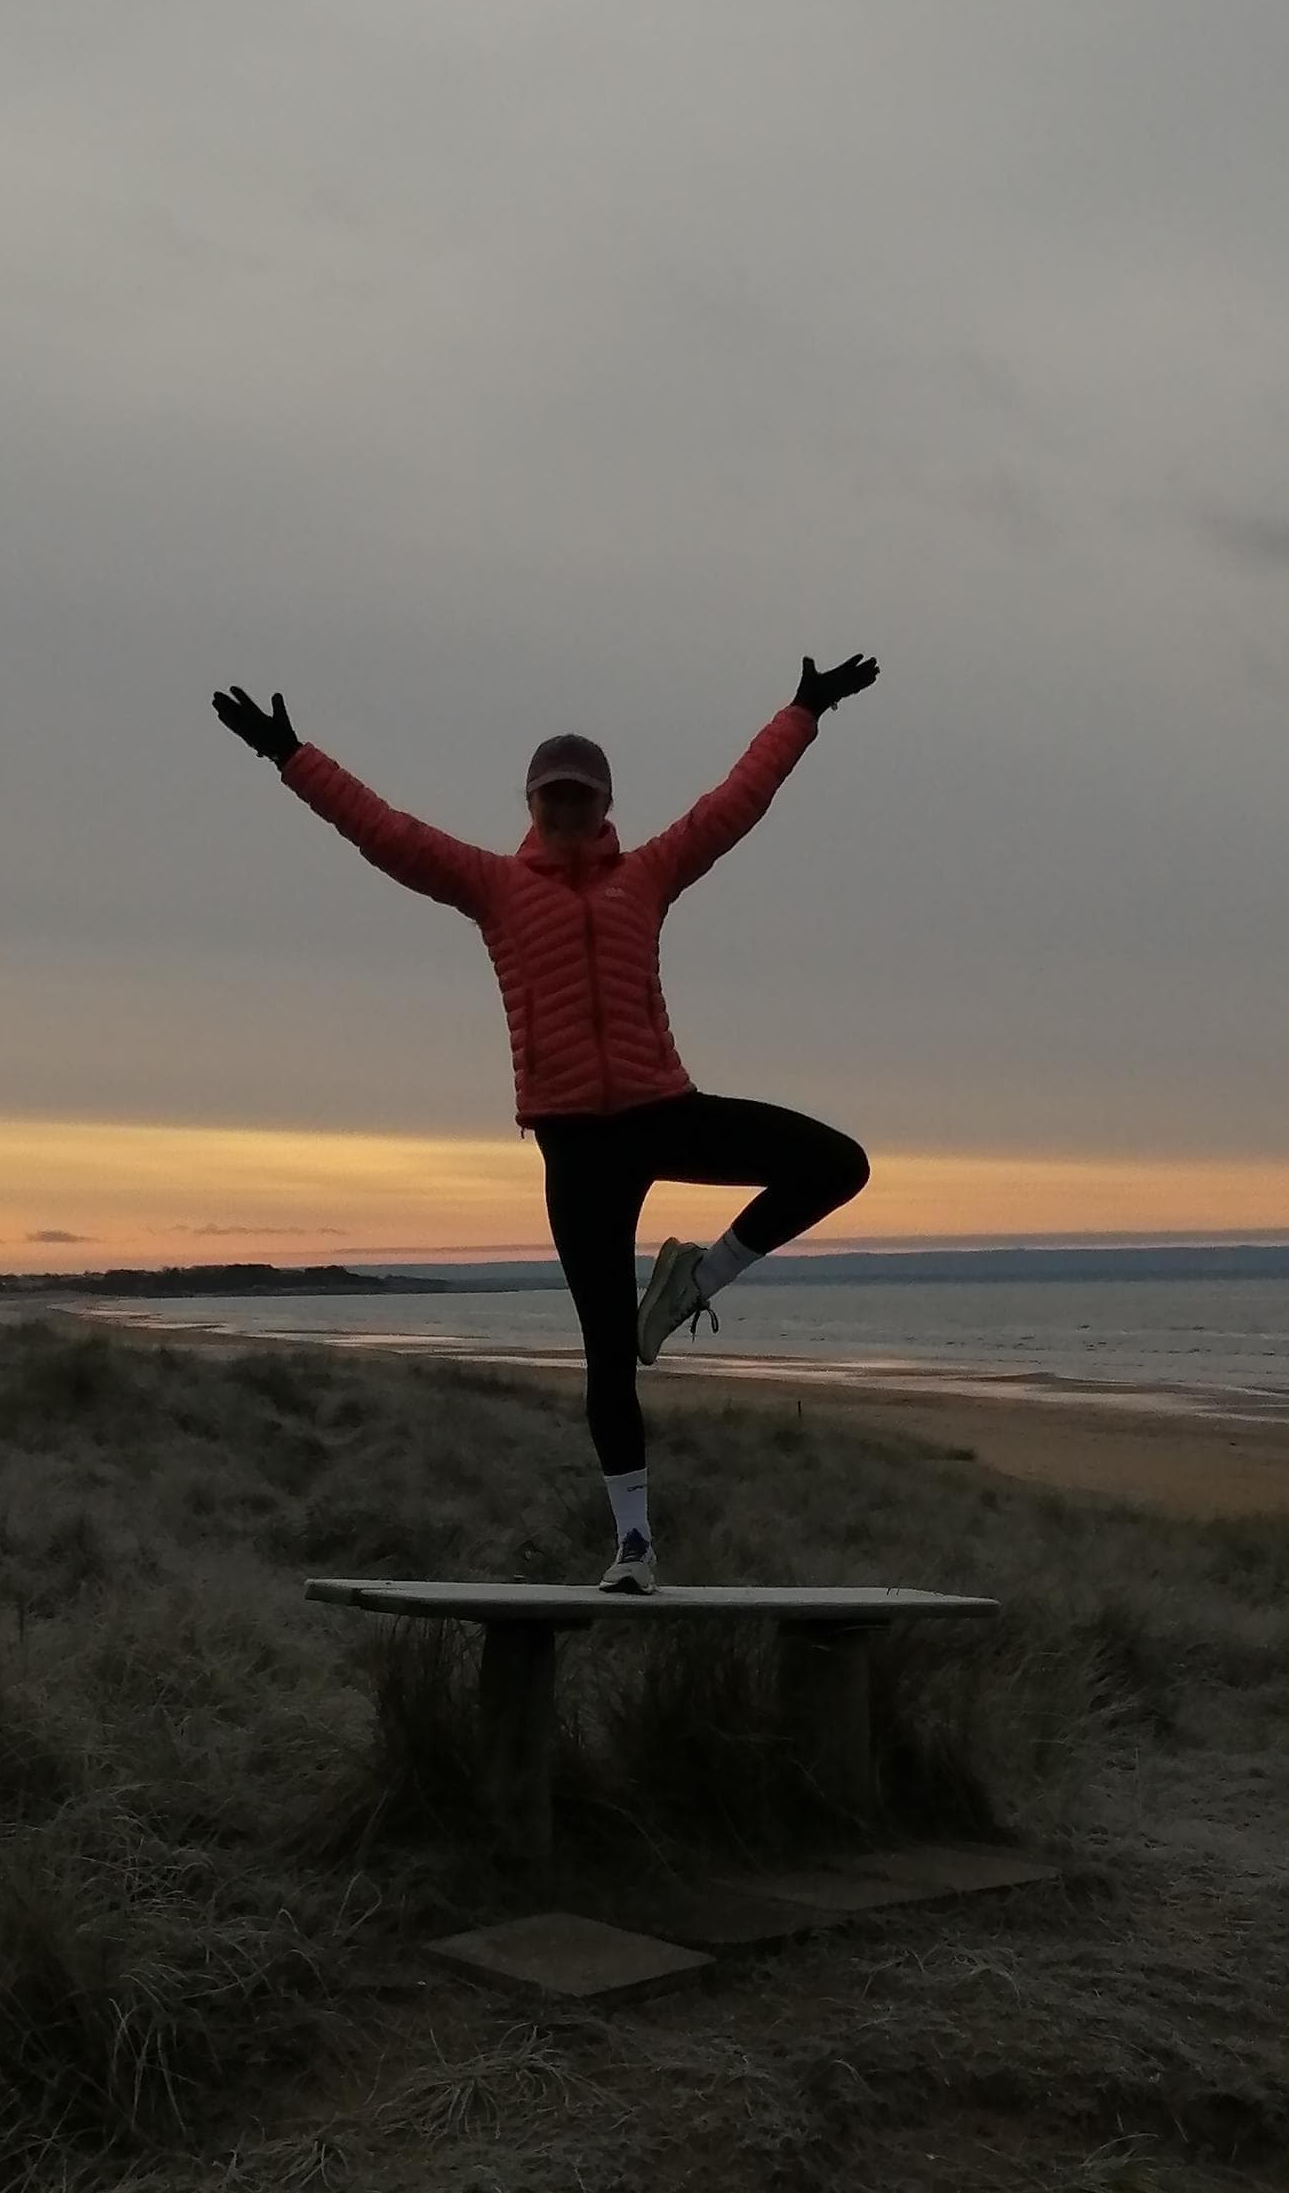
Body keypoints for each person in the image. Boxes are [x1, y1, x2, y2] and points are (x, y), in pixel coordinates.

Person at [210, 658, 879, 1587]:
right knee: (609, 1350)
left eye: (581, 799)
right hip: (576, 1146)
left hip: (663, 1111)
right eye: (552, 799)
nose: (566, 812)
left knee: (837, 1164)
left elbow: (733, 805)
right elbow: (386, 834)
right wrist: (290, 754)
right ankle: (635, 1546)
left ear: (604, 806)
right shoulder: (492, 887)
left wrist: (802, 712)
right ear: (532, 806)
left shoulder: (647, 875)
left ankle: (695, 1281)